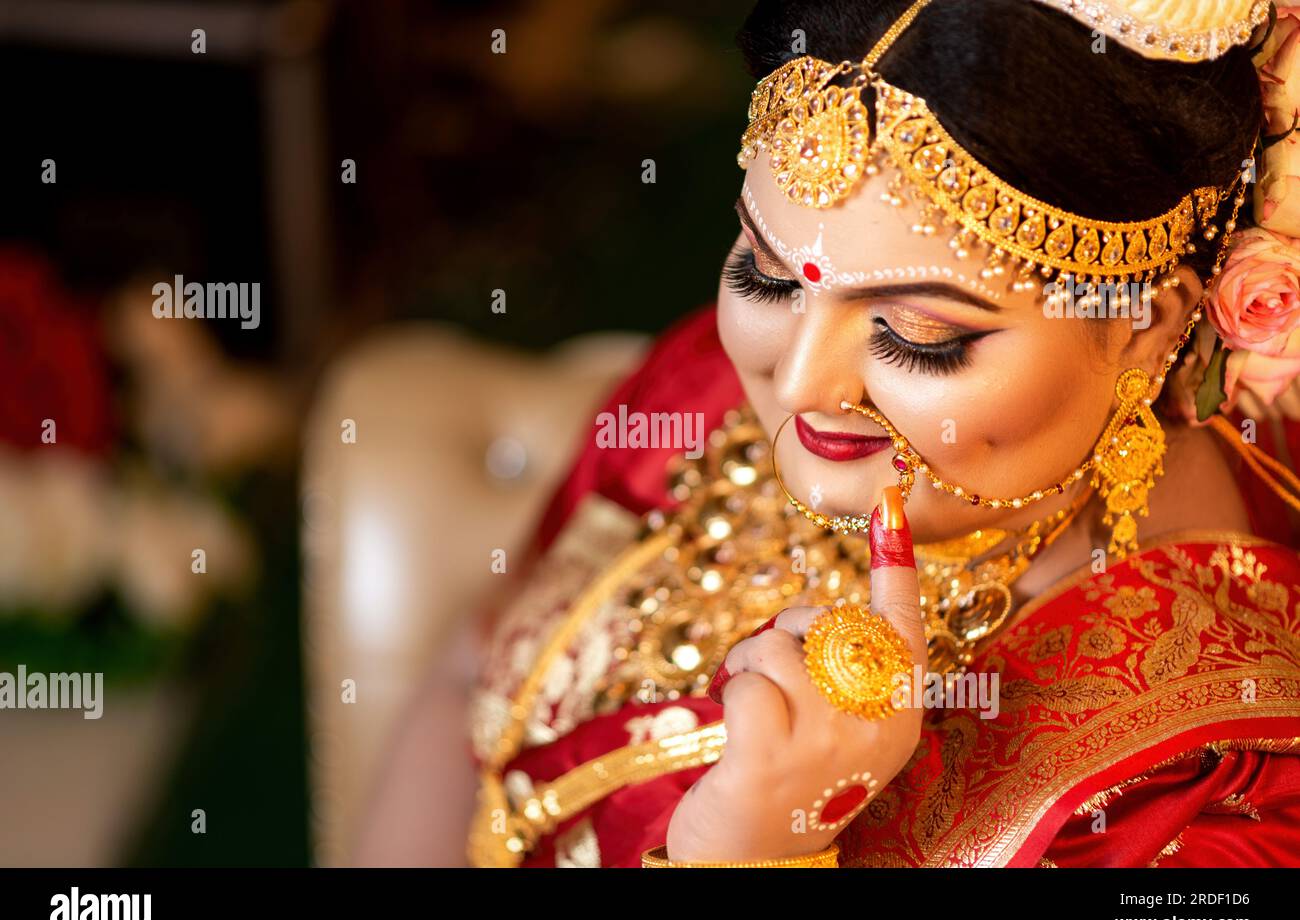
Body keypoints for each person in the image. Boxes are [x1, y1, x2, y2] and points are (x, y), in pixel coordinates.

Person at [360, 0, 1300, 868]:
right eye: (768, 275)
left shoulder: (1221, 769)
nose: (801, 383)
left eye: (917, 332)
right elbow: (465, 679)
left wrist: (757, 850)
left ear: (1140, 318)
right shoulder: (704, 385)